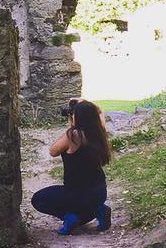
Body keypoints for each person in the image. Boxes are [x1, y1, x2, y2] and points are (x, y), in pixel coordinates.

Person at [31, 99, 113, 235]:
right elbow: (98, 112)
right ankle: (99, 210)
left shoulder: (74, 135)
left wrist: (70, 128)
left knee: (38, 199)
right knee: (85, 206)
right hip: (99, 192)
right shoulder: (98, 132)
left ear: (78, 117)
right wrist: (87, 104)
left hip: (77, 194)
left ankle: (69, 217)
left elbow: (53, 151)